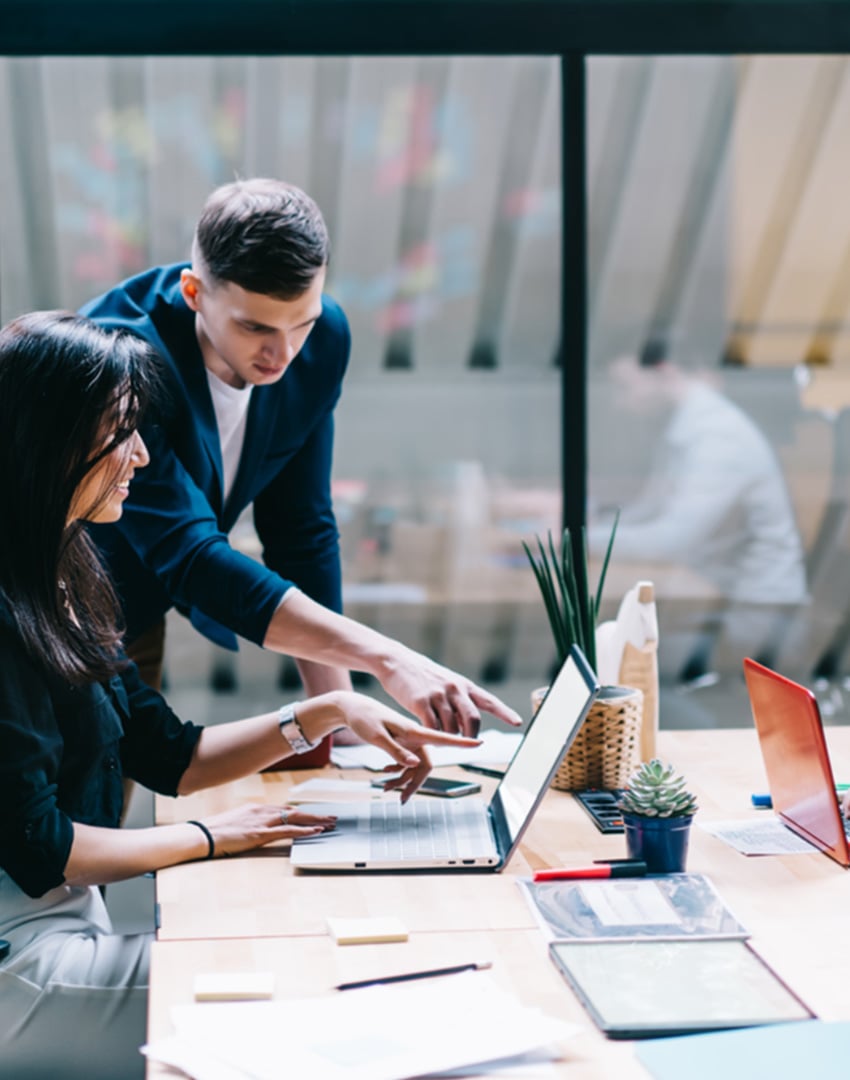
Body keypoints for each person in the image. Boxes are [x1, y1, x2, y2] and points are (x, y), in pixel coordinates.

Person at [0, 311, 481, 1079]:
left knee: (321, 956)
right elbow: (41, 845)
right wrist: (215, 836)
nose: (142, 454)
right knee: (309, 989)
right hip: (21, 966)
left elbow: (169, 755)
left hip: (64, 926)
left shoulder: (68, 571)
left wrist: (327, 712)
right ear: (48, 443)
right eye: (121, 433)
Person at [80, 177, 520, 740]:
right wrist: (388, 658)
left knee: (125, 778)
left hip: (136, 613)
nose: (283, 353)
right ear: (194, 292)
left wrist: (342, 716)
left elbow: (301, 527)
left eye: (302, 322)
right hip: (50, 615)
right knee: (76, 793)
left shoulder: (325, 338)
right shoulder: (118, 359)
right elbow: (188, 553)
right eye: (255, 327)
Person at [589, 340, 808, 682]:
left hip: (756, 615)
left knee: (624, 665)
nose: (619, 402)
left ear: (664, 372)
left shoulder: (717, 436)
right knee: (616, 648)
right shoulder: (688, 426)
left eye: (624, 387)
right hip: (721, 602)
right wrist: (584, 525)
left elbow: (671, 540)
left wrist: (577, 540)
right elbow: (650, 511)